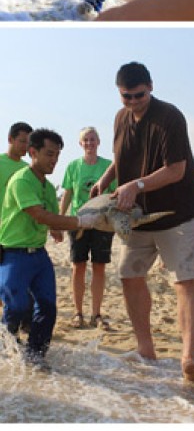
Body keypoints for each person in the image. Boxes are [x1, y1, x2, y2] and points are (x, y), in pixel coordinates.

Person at [93, 62, 194, 382]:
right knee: (129, 275)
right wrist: (106, 179)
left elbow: (176, 170)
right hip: (137, 216)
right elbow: (120, 155)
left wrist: (136, 184)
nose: (132, 102)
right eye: (126, 97)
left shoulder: (170, 117)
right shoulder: (120, 118)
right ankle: (146, 348)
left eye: (138, 95)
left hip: (179, 213)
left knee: (185, 281)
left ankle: (189, 356)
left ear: (151, 87)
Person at [0, 129, 101, 367]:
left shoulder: (46, 186)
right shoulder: (22, 180)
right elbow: (39, 215)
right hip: (14, 253)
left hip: (39, 256)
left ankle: (35, 357)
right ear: (32, 152)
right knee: (16, 307)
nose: (54, 160)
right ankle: (6, 353)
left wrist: (56, 228)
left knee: (47, 307)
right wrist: (79, 222)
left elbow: (51, 216)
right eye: (49, 154)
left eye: (57, 155)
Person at [58, 126, 117, 330]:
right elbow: (67, 193)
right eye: (86, 140)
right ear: (80, 144)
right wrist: (60, 218)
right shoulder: (73, 166)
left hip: (102, 223)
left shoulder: (109, 166)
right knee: (78, 266)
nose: (89, 143)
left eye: (93, 139)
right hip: (78, 222)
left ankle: (96, 314)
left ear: (98, 142)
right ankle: (78, 312)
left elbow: (115, 194)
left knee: (99, 267)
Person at [1, 121, 31, 192]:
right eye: (23, 141)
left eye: (28, 143)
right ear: (10, 139)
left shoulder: (28, 169)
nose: (26, 146)